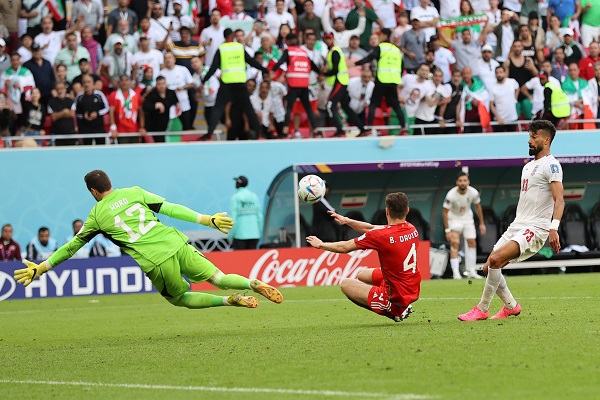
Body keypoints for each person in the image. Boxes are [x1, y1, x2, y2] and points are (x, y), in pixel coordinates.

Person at [14, 170, 284, 310]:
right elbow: (170, 208)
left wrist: (43, 267)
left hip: (156, 261)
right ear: (111, 183)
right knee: (220, 279)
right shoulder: (134, 192)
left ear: (94, 191)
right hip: (176, 241)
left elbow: (73, 246)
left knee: (178, 299)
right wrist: (207, 219)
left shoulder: (96, 215)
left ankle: (230, 302)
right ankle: (251, 282)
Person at [459, 120, 564, 321]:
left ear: (547, 139)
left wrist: (554, 228)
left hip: (536, 228)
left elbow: (559, 200)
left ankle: (482, 308)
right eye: (529, 136)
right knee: (488, 267)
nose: (529, 140)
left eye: (534, 136)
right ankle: (511, 306)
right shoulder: (528, 166)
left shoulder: (551, 165)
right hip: (517, 225)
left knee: (496, 260)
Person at [306, 192, 420, 322]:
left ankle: (394, 310)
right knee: (362, 274)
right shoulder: (411, 228)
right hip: (411, 285)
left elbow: (345, 247)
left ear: (387, 211)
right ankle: (393, 301)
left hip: (396, 295)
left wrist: (321, 245)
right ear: (407, 210)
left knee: (345, 284)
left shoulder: (382, 236)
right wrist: (347, 221)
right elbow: (371, 228)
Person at [201, 28, 269, 141]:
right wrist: (264, 70)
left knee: (217, 109)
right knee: (249, 110)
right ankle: (260, 134)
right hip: (240, 84)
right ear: (232, 36)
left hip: (227, 83)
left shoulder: (221, 49)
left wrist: (204, 80)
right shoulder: (239, 47)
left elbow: (213, 68)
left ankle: (209, 135)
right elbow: (251, 61)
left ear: (224, 37)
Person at [353, 28, 405, 135]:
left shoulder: (381, 47)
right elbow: (402, 66)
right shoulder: (396, 50)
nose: (379, 37)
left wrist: (355, 64)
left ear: (385, 36)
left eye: (380, 35)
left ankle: (369, 127)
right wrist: (397, 78)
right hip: (393, 80)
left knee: (373, 104)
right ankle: (403, 127)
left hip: (382, 80)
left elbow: (369, 58)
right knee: (396, 105)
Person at [270, 33, 320, 138]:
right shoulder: (304, 52)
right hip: (304, 84)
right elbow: (313, 66)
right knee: (308, 109)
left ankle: (285, 131)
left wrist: (272, 71)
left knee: (289, 108)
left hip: (293, 85)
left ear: (287, 42)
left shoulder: (289, 51)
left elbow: (280, 62)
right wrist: (321, 73)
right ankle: (315, 130)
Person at [442, 172, 486, 280]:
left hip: (467, 219)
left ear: (468, 181)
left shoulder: (473, 192)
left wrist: (482, 224)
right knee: (455, 243)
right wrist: (447, 230)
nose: (463, 183)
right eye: (460, 181)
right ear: (457, 182)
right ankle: (456, 273)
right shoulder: (451, 195)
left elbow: (478, 207)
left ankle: (471, 271)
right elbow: (444, 212)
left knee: (472, 243)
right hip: (454, 219)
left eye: (465, 180)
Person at [323, 32, 367, 137]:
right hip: (342, 81)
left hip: (340, 81)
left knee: (330, 106)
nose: (328, 40)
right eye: (326, 39)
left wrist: (324, 73)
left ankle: (340, 130)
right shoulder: (333, 51)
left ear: (332, 40)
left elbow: (335, 69)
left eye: (329, 39)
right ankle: (362, 128)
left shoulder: (334, 51)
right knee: (346, 107)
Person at [73, 74, 110, 145]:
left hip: (99, 128)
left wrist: (97, 113)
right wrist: (84, 116)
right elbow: (76, 112)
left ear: (93, 83)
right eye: (84, 82)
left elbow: (107, 108)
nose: (86, 84)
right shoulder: (79, 96)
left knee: (101, 149)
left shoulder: (99, 95)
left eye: (88, 82)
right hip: (85, 129)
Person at [229, 175, 263, 250]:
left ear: (238, 184)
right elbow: (260, 217)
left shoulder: (235, 198)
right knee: (252, 260)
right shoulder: (254, 197)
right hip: (254, 234)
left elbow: (233, 219)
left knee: (240, 260)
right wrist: (259, 233)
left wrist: (230, 237)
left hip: (239, 235)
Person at [142, 75, 180, 142]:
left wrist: (178, 105)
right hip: (154, 124)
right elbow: (145, 106)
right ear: (156, 85)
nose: (161, 86)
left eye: (163, 83)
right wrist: (156, 105)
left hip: (168, 121)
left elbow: (176, 102)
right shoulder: (152, 94)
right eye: (159, 84)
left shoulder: (171, 93)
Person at [109, 75, 144, 143]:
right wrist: (113, 128)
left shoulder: (136, 95)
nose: (124, 82)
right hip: (120, 130)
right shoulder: (114, 95)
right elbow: (111, 112)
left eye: (127, 80)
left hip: (134, 129)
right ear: (119, 82)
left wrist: (142, 127)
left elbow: (140, 112)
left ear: (130, 82)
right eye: (122, 80)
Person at [489, 65, 520, 132]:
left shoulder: (512, 82)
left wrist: (515, 99)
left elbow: (517, 88)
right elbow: (491, 105)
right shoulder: (492, 87)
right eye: (497, 73)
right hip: (499, 120)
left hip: (512, 118)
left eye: (501, 72)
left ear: (505, 73)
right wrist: (498, 117)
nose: (499, 74)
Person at [48, 81, 76, 146]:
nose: (60, 91)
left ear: (65, 89)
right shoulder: (51, 102)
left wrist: (58, 114)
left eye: (62, 89)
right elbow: (53, 117)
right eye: (58, 89)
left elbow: (72, 114)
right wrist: (64, 112)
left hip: (70, 133)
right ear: (55, 90)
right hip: (57, 133)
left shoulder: (70, 101)